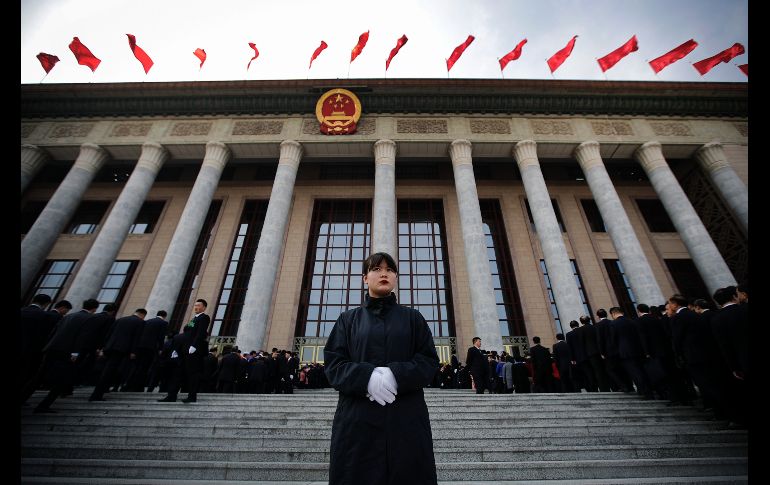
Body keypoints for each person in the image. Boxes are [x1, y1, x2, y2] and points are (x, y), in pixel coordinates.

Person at [324, 252, 439, 485]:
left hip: (406, 419)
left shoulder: (413, 318)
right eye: (376, 269)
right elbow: (334, 363)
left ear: (395, 277)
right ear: (365, 278)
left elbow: (428, 361)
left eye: (389, 269)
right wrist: (366, 378)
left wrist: (396, 375)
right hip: (357, 421)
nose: (383, 274)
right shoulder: (348, 320)